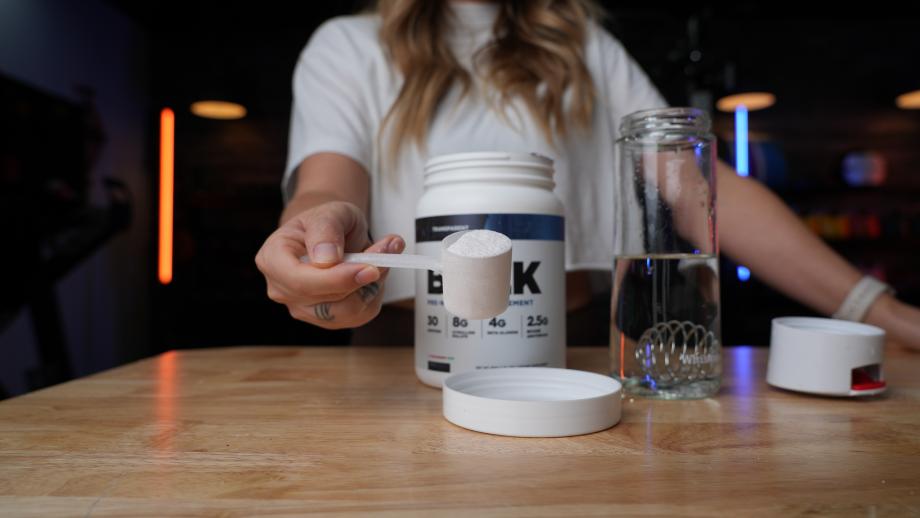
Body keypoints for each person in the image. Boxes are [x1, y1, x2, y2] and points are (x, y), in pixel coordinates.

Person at [255, 0, 920, 349]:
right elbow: (328, 185)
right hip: (398, 350)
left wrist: (881, 311)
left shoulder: (588, 49)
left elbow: (700, 189)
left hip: (572, 341)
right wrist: (317, 232)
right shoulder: (345, 45)